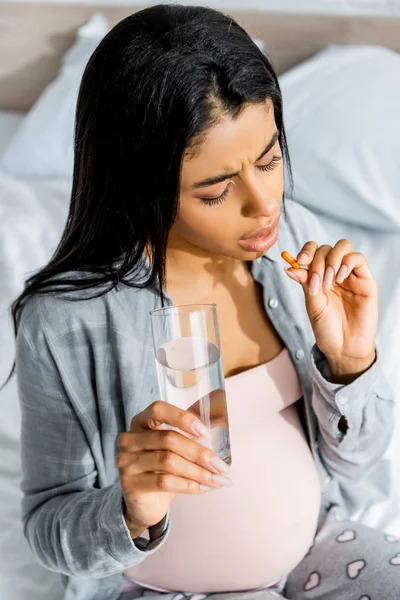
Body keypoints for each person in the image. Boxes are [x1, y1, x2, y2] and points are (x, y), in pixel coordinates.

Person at [12, 5, 398, 600]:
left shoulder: (293, 238)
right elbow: (48, 526)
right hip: (165, 588)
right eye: (217, 190)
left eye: (270, 159)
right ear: (142, 186)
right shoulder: (66, 322)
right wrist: (132, 509)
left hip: (315, 553)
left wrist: (349, 367)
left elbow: (359, 465)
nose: (265, 203)